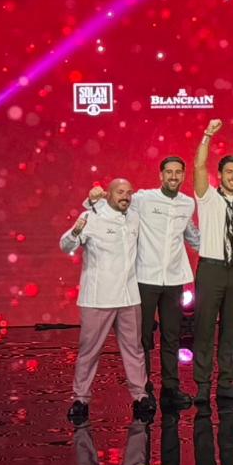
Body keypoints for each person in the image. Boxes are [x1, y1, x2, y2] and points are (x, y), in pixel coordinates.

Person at [83, 156, 199, 408]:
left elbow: (191, 234)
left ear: (183, 175)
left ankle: (171, 388)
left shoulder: (187, 203)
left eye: (178, 172)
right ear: (161, 175)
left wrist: (215, 249)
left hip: (174, 279)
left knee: (172, 336)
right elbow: (113, 201)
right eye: (168, 172)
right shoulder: (144, 199)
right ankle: (144, 389)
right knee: (142, 338)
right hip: (145, 278)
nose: (173, 176)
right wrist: (94, 198)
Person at [62, 178, 154, 425]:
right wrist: (75, 232)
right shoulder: (91, 216)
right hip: (97, 298)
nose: (125, 197)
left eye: (128, 193)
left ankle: (140, 395)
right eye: (120, 192)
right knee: (89, 351)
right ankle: (81, 398)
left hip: (128, 296)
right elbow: (66, 245)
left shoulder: (134, 216)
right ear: (108, 194)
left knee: (134, 349)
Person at [191, 119, 233, 404]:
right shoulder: (207, 197)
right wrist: (208, 135)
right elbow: (198, 166)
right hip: (211, 269)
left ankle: (226, 382)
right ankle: (203, 384)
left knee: (231, 329)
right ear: (219, 175)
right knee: (204, 328)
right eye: (229, 172)